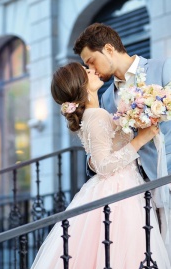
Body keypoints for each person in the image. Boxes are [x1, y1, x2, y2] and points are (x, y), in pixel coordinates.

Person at [26, 62, 171, 269]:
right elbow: (104, 165)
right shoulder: (95, 116)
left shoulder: (96, 113)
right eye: (86, 71)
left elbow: (96, 159)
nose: (91, 69)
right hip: (118, 188)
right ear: (81, 84)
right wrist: (140, 140)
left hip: (122, 184)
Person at [73, 22, 171, 181]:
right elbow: (101, 146)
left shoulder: (163, 68)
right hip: (140, 190)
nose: (90, 69)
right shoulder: (106, 99)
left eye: (91, 61)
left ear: (109, 49)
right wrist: (96, 162)